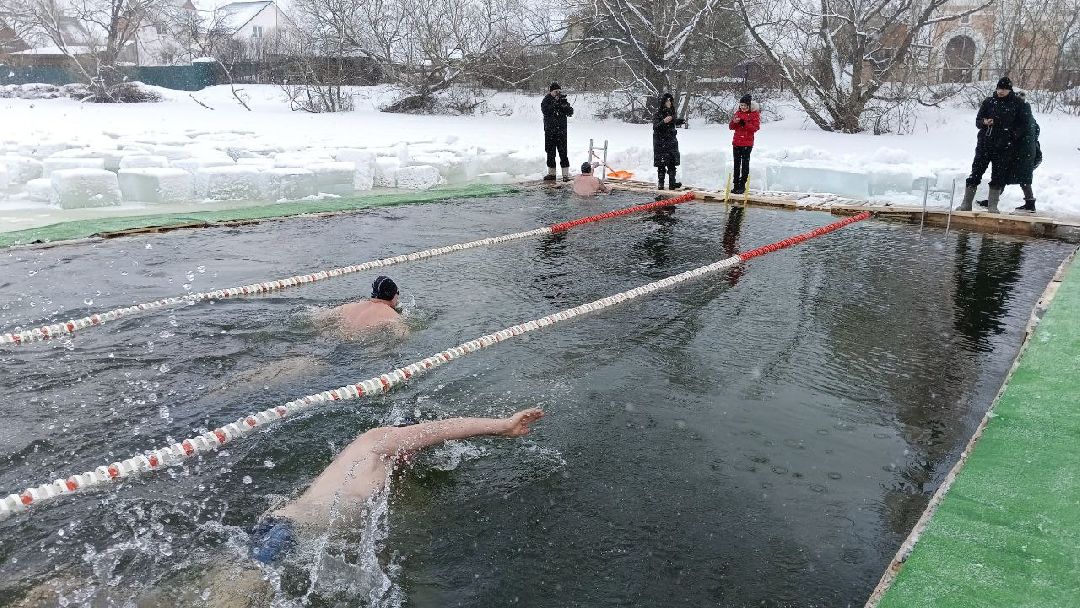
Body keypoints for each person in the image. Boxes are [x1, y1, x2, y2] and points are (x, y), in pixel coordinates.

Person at [252, 408, 546, 563]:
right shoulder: (379, 440)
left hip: (285, 528)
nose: (412, 457)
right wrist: (503, 426)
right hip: (285, 536)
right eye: (416, 448)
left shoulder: (375, 468)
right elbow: (444, 429)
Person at [959, 77, 1032, 213]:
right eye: (999, 88)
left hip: (1004, 147)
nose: (1000, 91)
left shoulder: (1017, 104)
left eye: (1004, 89)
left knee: (998, 177)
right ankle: (966, 204)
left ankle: (992, 206)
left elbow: (1023, 125)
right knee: (975, 173)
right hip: (985, 144)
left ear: (1009, 90)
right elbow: (978, 121)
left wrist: (1011, 136)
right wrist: (985, 122)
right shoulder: (989, 101)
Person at [319, 275, 406, 338]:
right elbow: (402, 336)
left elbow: (318, 318)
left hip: (334, 337)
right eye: (397, 294)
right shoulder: (391, 315)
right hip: (356, 347)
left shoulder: (350, 306)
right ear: (393, 295)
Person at [541, 82, 574, 182]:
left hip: (561, 131)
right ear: (551, 91)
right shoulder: (546, 100)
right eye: (556, 91)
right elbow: (546, 111)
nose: (558, 93)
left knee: (563, 152)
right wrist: (554, 104)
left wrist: (564, 106)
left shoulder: (563, 100)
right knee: (550, 152)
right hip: (550, 131)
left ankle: (565, 175)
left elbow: (570, 112)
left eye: (559, 91)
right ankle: (551, 173)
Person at [728, 93, 760, 195]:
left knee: (745, 164)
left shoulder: (755, 114)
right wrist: (734, 122)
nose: (743, 108)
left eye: (745, 106)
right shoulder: (737, 113)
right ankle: (736, 185)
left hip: (747, 143)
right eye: (741, 105)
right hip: (736, 143)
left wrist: (744, 123)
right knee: (736, 165)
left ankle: (742, 186)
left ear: (749, 106)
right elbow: (731, 127)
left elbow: (755, 128)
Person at [653, 92, 685, 190]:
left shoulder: (671, 113)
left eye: (670, 101)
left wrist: (678, 121)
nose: (669, 103)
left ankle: (672, 184)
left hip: (671, 141)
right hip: (661, 142)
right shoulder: (658, 114)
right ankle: (661, 184)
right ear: (663, 102)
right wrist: (664, 121)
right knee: (661, 164)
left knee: (672, 163)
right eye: (667, 101)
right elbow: (655, 127)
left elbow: (672, 121)